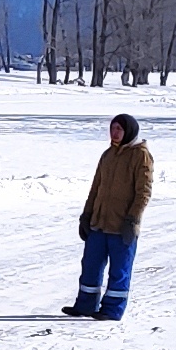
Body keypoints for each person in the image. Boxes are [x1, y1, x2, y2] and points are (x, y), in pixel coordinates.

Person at [69, 110, 154, 321]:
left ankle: (112, 309)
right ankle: (85, 305)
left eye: (119, 129)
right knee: (90, 265)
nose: (114, 133)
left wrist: (132, 219)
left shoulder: (140, 154)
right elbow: (95, 188)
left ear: (129, 131)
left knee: (119, 270)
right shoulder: (107, 155)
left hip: (121, 225)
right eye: (112, 128)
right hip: (99, 223)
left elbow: (143, 192)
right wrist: (86, 215)